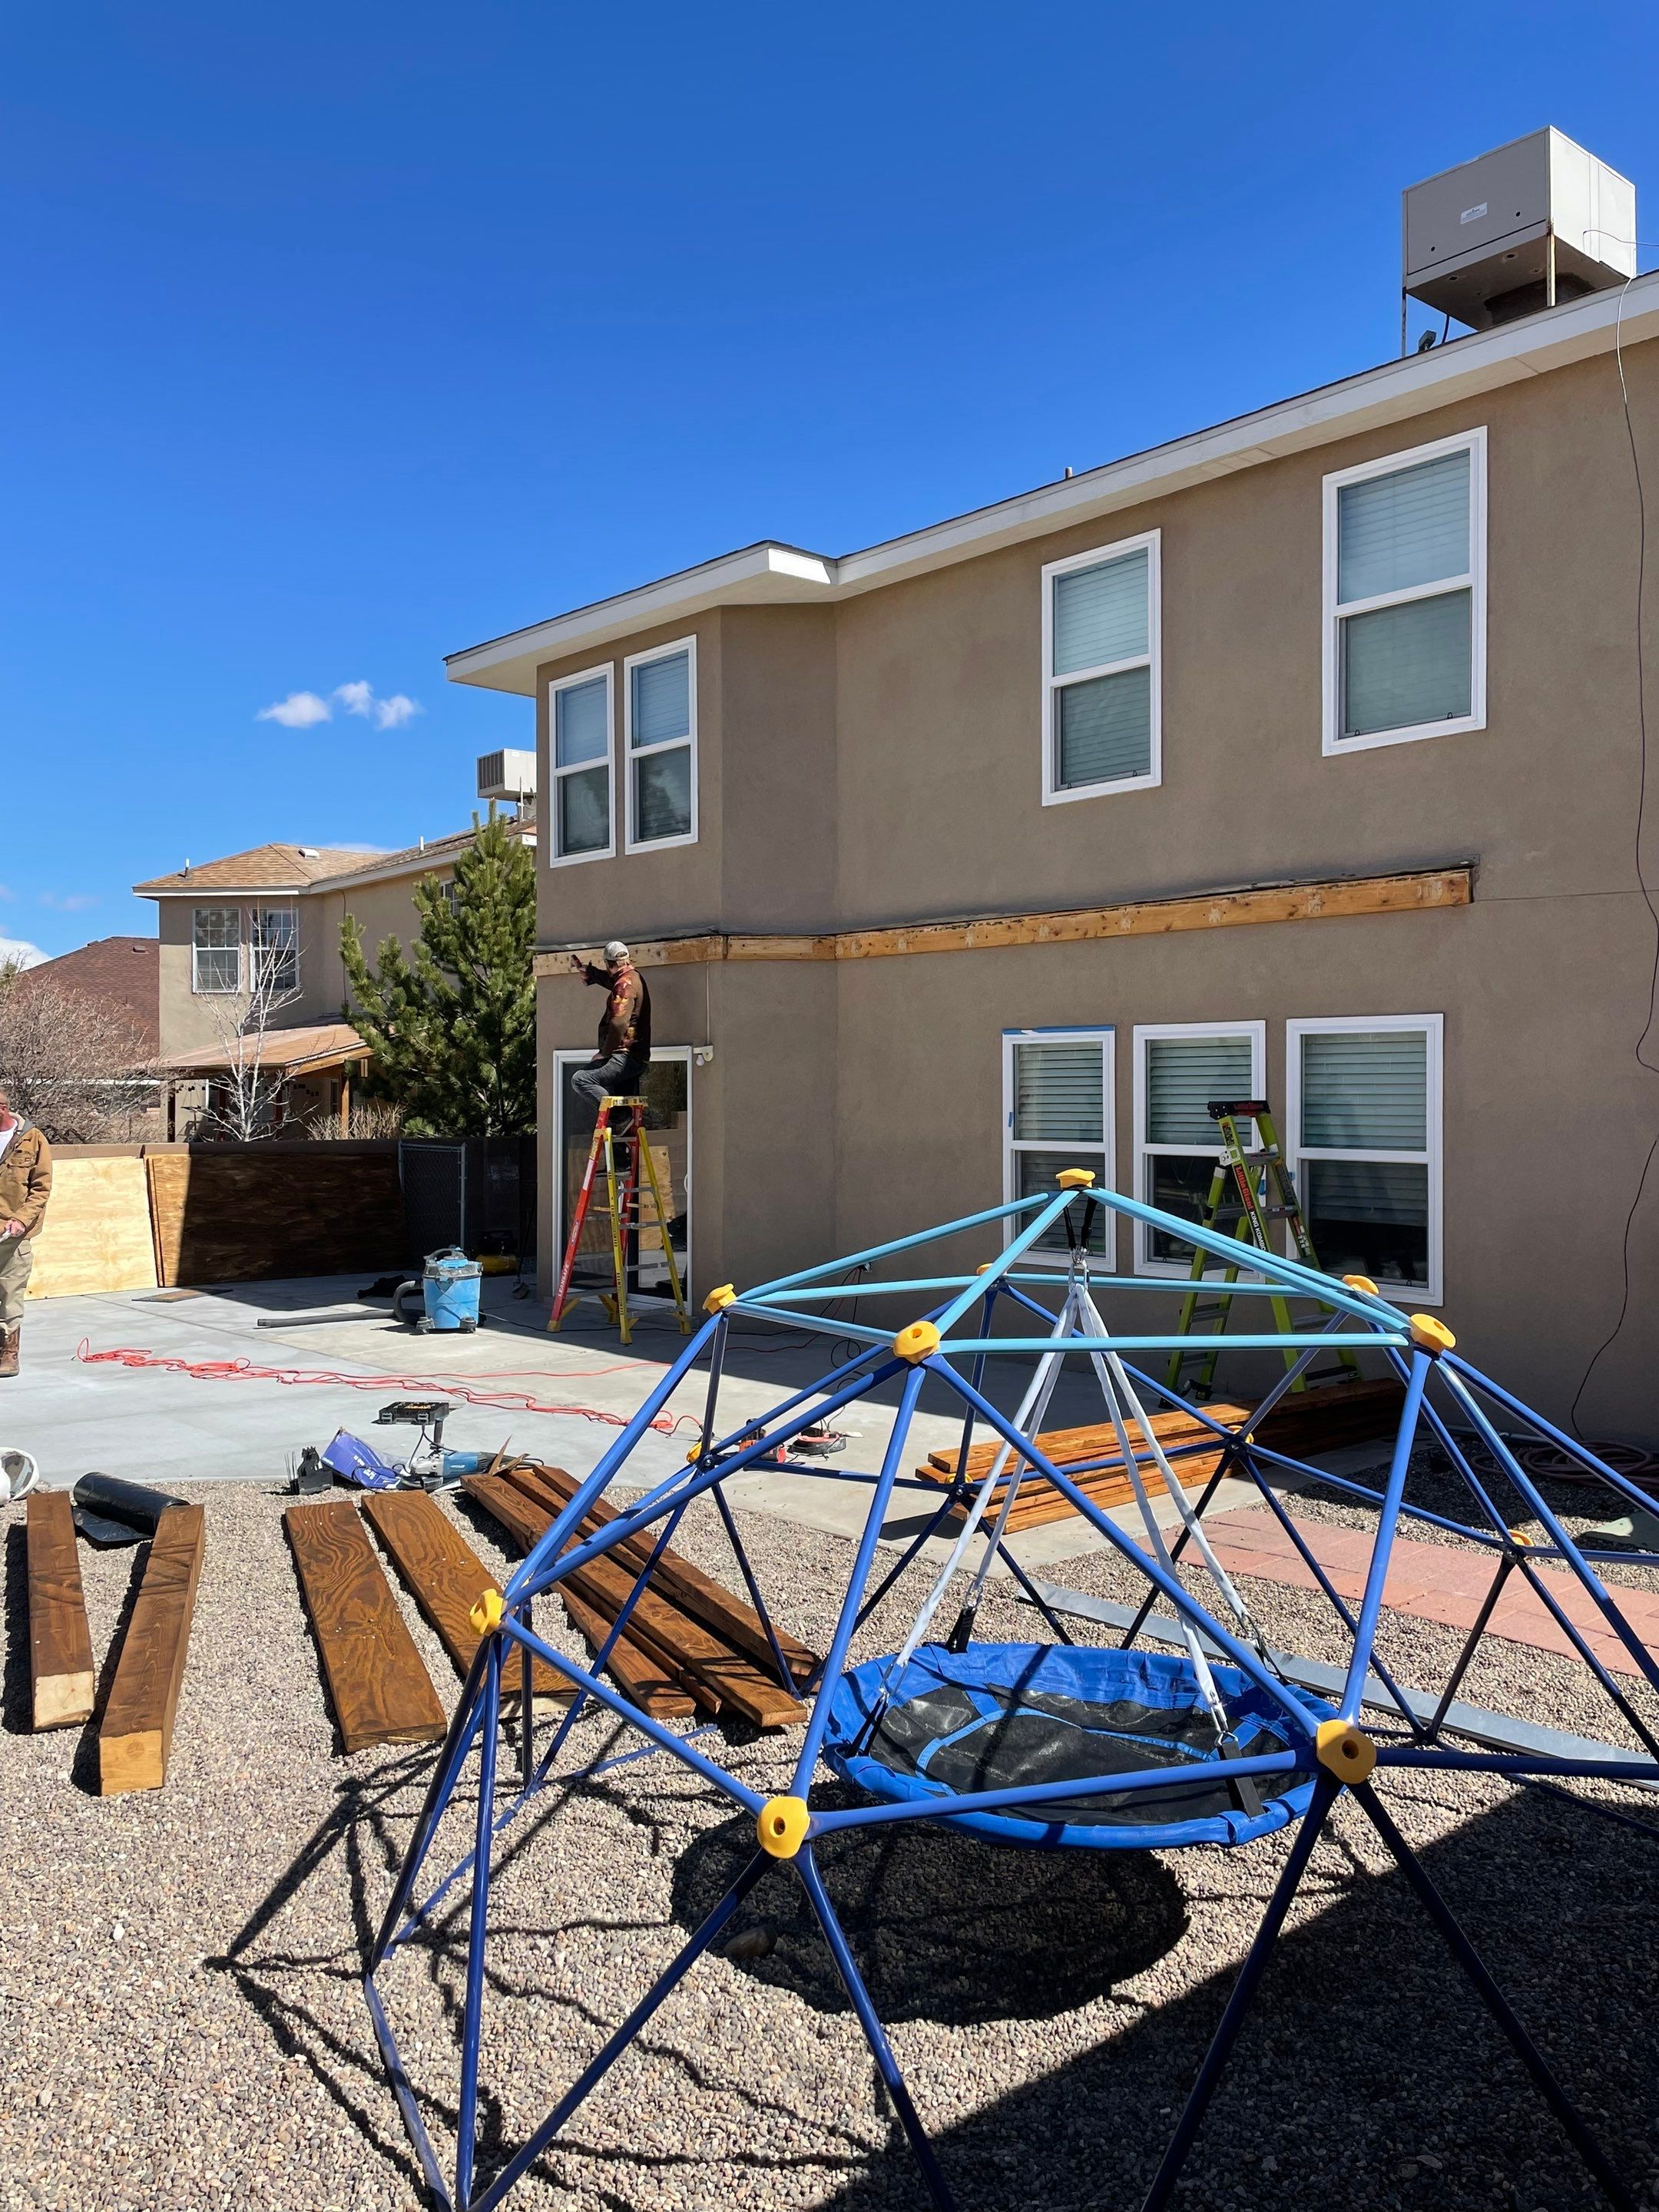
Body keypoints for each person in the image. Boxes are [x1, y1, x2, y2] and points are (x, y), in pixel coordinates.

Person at [0, 1088, 53, 1379]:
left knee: (10, 1292)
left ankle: (9, 1353)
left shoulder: (32, 1140)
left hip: (12, 1234)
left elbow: (41, 1188)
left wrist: (21, 1220)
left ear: (2, 1109)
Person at [568, 940, 652, 1112]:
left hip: (624, 1057)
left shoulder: (623, 986)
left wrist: (604, 1053)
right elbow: (613, 981)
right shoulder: (633, 978)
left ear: (608, 964)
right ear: (627, 960)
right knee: (618, 1096)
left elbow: (618, 1024)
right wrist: (590, 972)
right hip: (636, 1057)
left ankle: (618, 1116)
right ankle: (624, 1125)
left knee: (581, 1080)